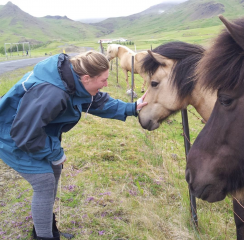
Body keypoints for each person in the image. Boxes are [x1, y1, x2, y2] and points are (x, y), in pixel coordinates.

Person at [0, 50, 147, 240]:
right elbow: (25, 133)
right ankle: (44, 237)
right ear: (86, 78)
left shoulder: (73, 81)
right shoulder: (53, 92)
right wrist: (54, 152)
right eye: (103, 80)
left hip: (31, 131)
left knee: (55, 171)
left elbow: (96, 101)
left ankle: (45, 226)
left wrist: (132, 107)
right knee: (43, 182)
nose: (106, 84)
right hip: (11, 135)